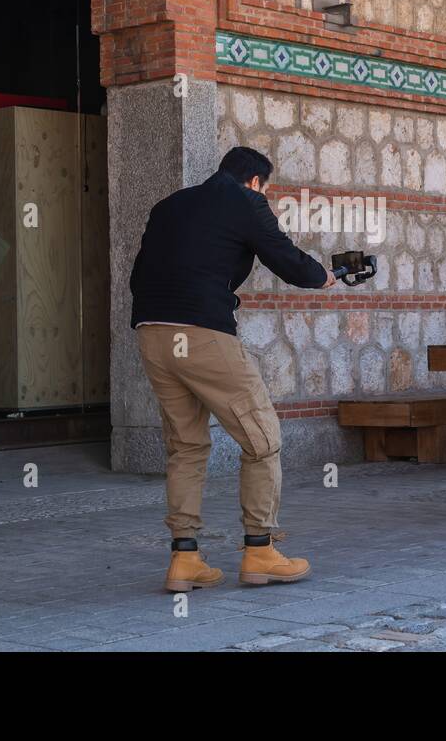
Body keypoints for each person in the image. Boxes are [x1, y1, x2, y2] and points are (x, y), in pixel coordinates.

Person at [130, 146, 336, 591]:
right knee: (263, 439)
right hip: (203, 331)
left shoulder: (169, 206)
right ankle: (260, 551)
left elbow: (137, 274)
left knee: (185, 445)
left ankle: (185, 560)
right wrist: (324, 276)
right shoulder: (246, 201)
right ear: (256, 182)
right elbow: (285, 259)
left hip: (152, 332)